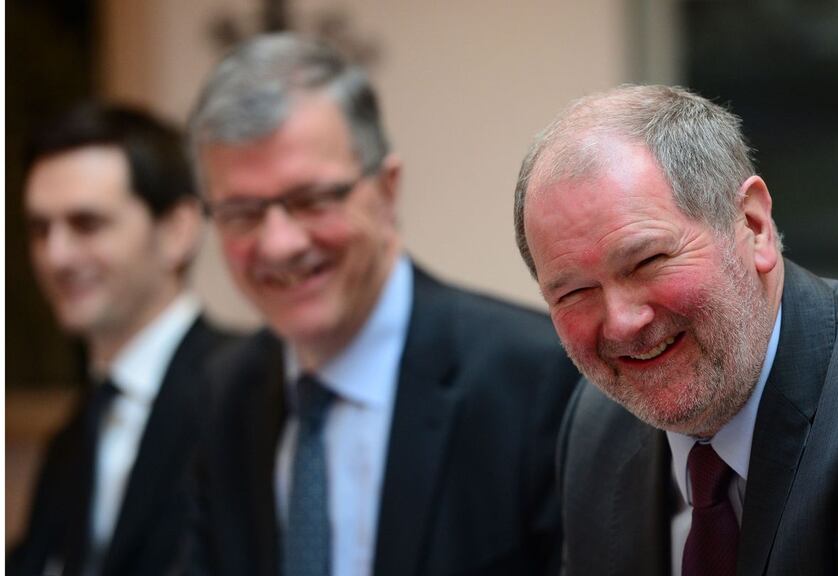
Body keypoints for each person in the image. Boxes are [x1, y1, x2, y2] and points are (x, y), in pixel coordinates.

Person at [514, 85, 838, 575]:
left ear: (752, 225)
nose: (623, 323)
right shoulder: (596, 421)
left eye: (647, 260)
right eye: (573, 293)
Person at [184, 33, 579, 576]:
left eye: (312, 200)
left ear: (388, 190)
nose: (278, 243)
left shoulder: (534, 380)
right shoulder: (225, 393)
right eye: (241, 212)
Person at [8, 103, 237, 576]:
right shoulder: (76, 430)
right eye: (39, 229)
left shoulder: (247, 392)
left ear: (177, 230)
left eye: (86, 224)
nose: (56, 256)